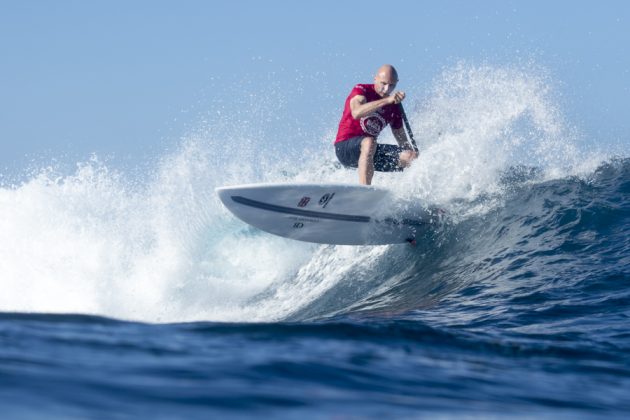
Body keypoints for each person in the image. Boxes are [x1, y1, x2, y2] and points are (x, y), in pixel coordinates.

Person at [334, 64, 418, 185]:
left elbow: (402, 139)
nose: (387, 89)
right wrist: (387, 100)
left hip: (369, 154)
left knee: (410, 156)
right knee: (369, 142)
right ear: (375, 78)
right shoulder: (361, 90)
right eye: (383, 84)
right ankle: (364, 190)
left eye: (391, 85)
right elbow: (356, 113)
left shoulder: (394, 107)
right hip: (345, 149)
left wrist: (416, 158)